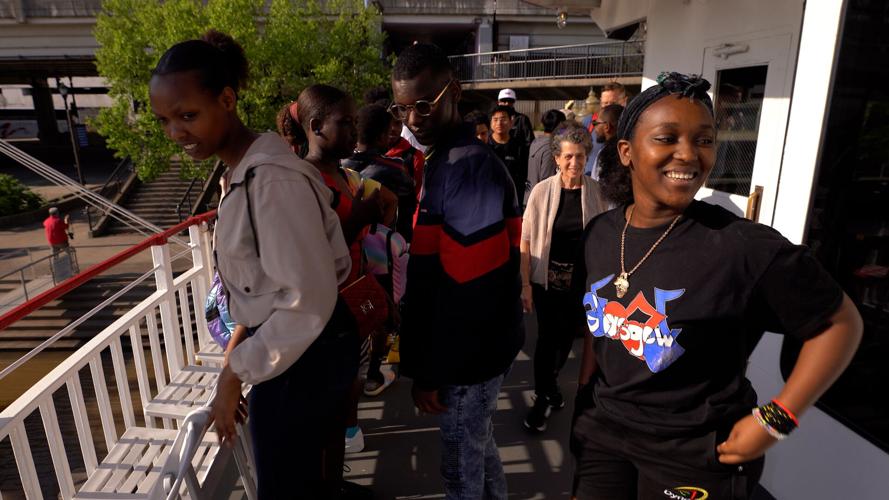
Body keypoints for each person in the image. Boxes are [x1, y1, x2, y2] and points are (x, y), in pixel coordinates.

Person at [571, 72, 863, 499]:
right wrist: (584, 399)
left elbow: (841, 324)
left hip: (696, 450)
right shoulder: (599, 233)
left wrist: (777, 419)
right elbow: (597, 332)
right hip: (604, 433)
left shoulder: (741, 247)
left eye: (704, 140)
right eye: (667, 138)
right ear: (627, 152)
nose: (688, 155)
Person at [149, 31, 357, 499]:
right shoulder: (246, 171)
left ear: (226, 99)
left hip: (304, 355)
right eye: (165, 120)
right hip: (296, 349)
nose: (176, 132)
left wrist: (235, 369)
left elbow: (308, 299)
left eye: (188, 115)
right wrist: (235, 364)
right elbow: (276, 286)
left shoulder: (269, 181)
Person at [392, 43, 524, 499]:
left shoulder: (466, 169)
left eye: (424, 105)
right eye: (404, 108)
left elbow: (469, 289)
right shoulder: (448, 160)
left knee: (460, 470)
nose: (413, 119)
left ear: (455, 92)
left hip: (467, 360)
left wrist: (430, 371)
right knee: (479, 448)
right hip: (474, 353)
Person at [284, 85, 395, 484]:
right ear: (316, 127)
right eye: (344, 123)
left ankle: (334, 483)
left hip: (352, 302)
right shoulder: (304, 180)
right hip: (322, 317)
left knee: (345, 398)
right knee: (325, 408)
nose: (353, 130)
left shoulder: (341, 174)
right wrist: (360, 214)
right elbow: (307, 244)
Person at [521, 121, 608, 433]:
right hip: (547, 281)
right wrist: (525, 285)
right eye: (568, 156)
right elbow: (526, 241)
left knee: (564, 340)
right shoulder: (542, 192)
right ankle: (544, 396)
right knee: (547, 339)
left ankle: (552, 385)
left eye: (580, 156)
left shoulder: (597, 193)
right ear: (556, 158)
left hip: (581, 285)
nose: (574, 163)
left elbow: (605, 239)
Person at [344, 103, 417, 242]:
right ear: (382, 137)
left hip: (349, 239)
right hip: (386, 245)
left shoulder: (340, 164)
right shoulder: (395, 167)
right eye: (389, 131)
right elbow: (410, 203)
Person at [583, 83, 629, 178]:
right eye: (605, 103)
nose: (608, 107)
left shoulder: (633, 125)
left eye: (612, 103)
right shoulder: (589, 122)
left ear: (624, 101)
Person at [524, 109, 567, 205]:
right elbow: (547, 178)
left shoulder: (536, 142)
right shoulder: (550, 147)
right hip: (541, 201)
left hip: (530, 197)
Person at [489, 105, 529, 203]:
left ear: (511, 122)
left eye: (503, 119)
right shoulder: (485, 145)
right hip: (489, 199)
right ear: (490, 123)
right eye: (495, 119)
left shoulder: (519, 147)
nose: (499, 123)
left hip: (512, 201)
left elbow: (523, 175)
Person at [587, 104, 624, 180]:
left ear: (607, 126)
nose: (594, 129)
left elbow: (597, 183)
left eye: (595, 124)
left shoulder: (606, 155)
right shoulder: (629, 149)